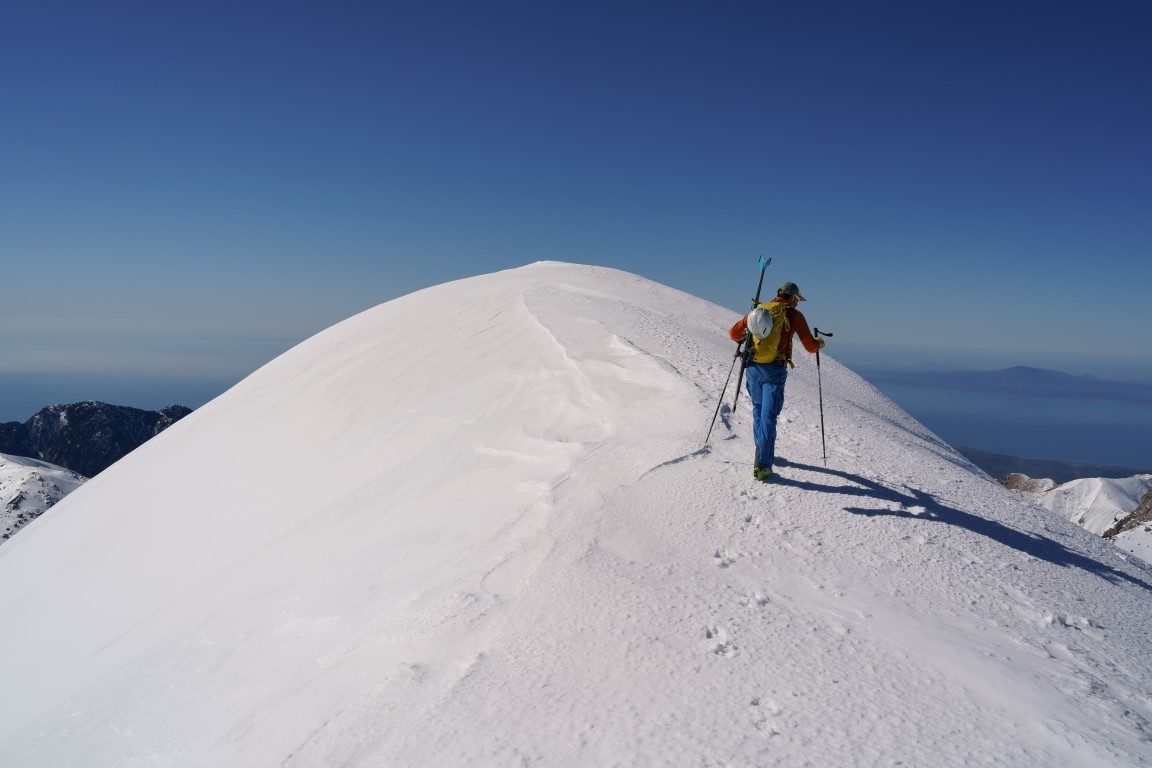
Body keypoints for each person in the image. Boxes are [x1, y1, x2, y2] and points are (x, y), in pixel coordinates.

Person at [728, 282, 825, 481]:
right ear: (791, 298)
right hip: (775, 369)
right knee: (769, 415)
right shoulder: (793, 315)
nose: (797, 303)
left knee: (758, 409)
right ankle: (763, 464)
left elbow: (733, 334)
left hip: (753, 368)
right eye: (797, 300)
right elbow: (810, 346)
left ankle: (762, 450)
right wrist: (819, 342)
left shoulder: (758, 310)